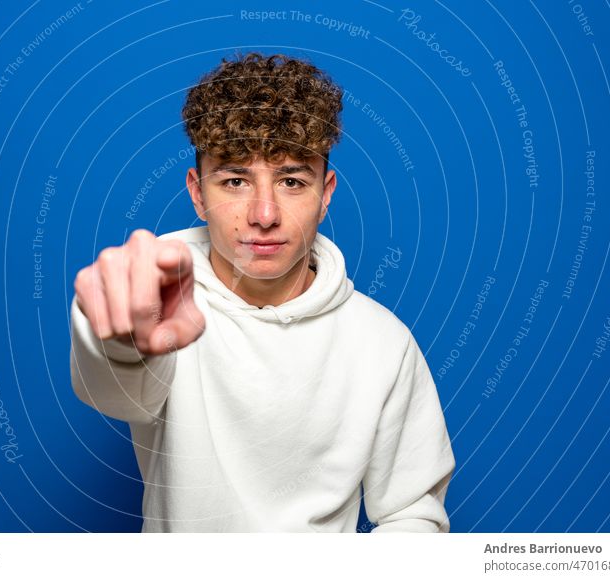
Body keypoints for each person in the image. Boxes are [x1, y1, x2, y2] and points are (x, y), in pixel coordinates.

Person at [69, 52, 455, 532]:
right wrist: (123, 340)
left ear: (326, 192)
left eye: (292, 181)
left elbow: (412, 514)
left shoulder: (383, 343)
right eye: (235, 180)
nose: (265, 214)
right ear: (197, 192)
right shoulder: (160, 301)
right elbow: (120, 397)